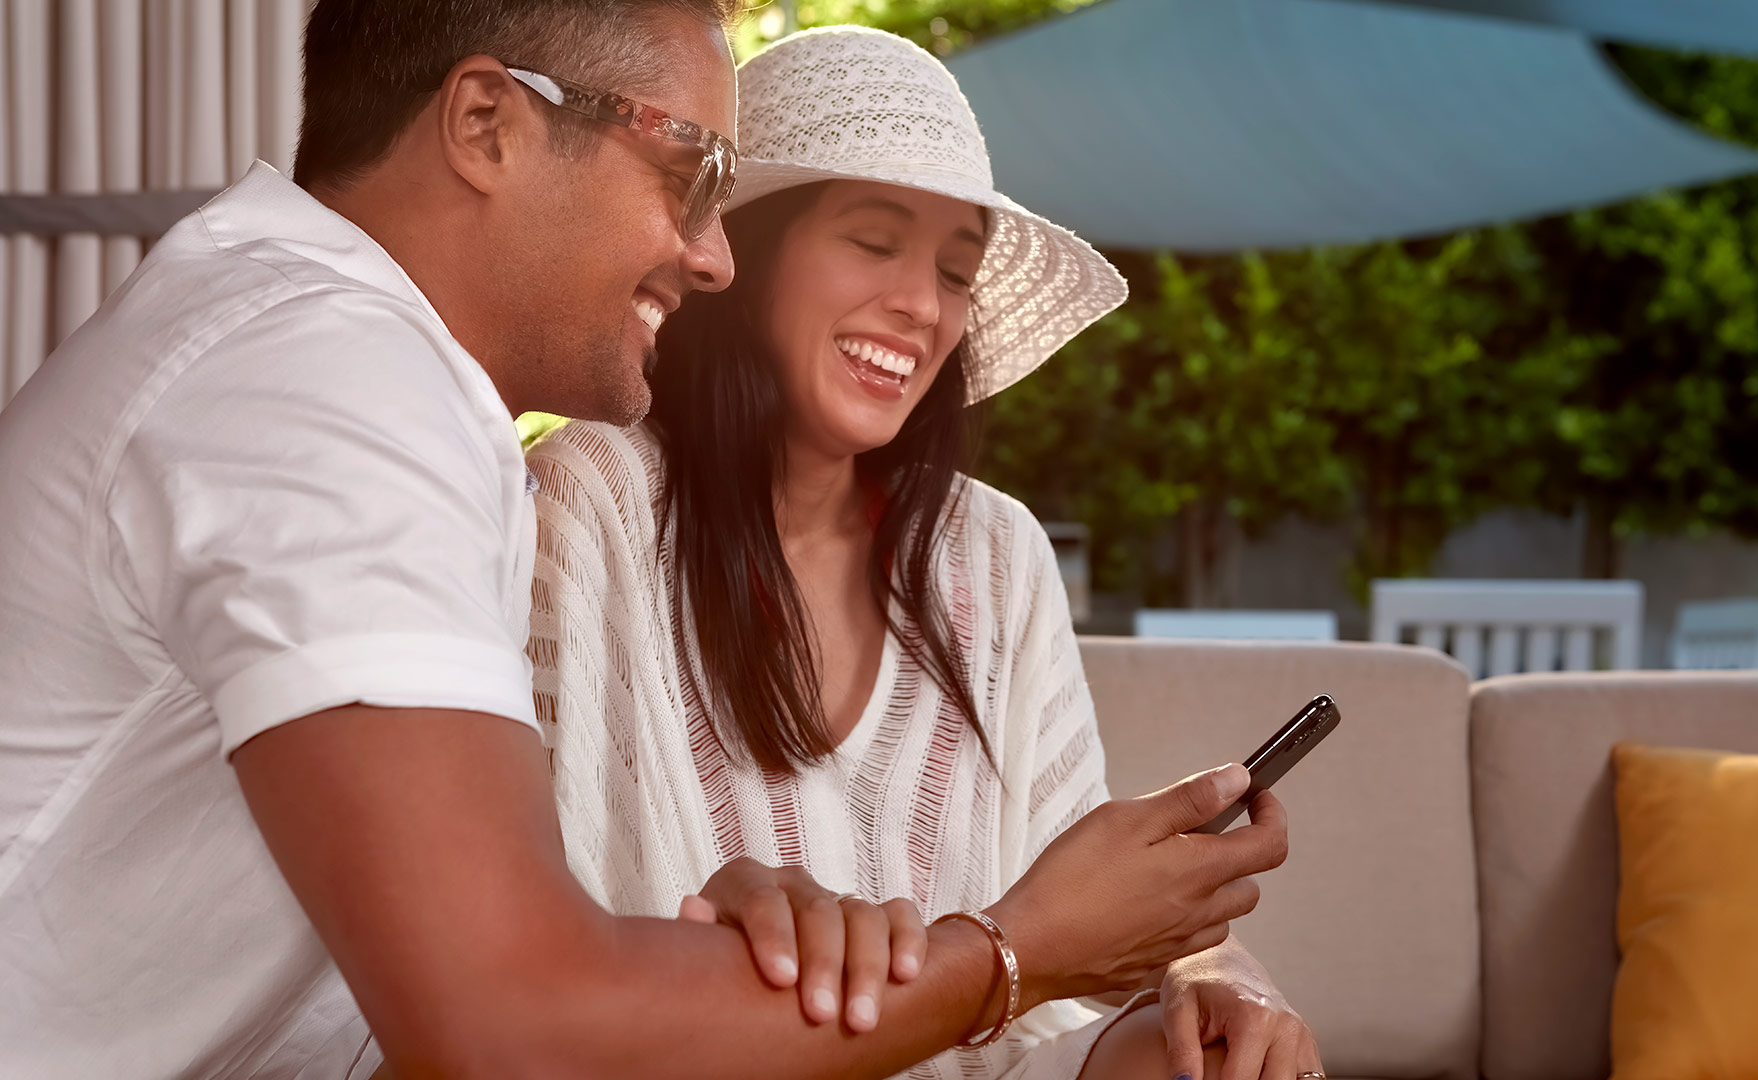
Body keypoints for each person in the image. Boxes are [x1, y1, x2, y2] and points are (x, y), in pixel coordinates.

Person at [0, 3, 1288, 1077]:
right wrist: (1013, 951)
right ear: (486, 124)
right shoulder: (326, 387)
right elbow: (507, 1018)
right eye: (687, 174)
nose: (712, 255)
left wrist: (742, 957)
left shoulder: (387, 394)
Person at [527, 26, 1324, 1080]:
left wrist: (1202, 987)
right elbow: (544, 981)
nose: (923, 304)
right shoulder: (589, 503)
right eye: (873, 240)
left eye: (957, 270)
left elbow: (1058, 995)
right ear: (746, 252)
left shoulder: (996, 553)